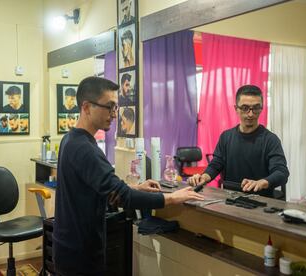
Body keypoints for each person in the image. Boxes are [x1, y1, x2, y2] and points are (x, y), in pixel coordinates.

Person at [53, 76, 204, 275]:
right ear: (87, 107)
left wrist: (136, 187)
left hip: (68, 246)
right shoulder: (85, 149)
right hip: (80, 253)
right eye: (109, 107)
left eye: (116, 108)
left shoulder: (70, 139)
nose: (114, 114)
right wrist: (172, 198)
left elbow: (100, 188)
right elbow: (125, 197)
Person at [187, 85, 289, 198]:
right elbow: (216, 165)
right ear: (236, 109)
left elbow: (281, 172)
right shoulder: (226, 137)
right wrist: (204, 177)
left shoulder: (271, 140)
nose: (250, 114)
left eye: (255, 108)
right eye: (245, 108)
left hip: (261, 201)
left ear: (261, 108)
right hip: (230, 199)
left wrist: (262, 182)